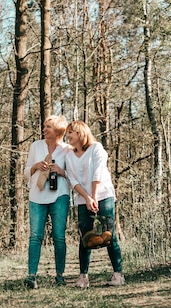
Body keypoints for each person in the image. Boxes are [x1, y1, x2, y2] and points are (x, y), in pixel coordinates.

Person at [64, 120, 124, 288]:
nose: (67, 136)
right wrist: (87, 197)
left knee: (108, 234)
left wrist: (94, 196)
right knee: (85, 237)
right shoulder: (69, 155)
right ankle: (83, 277)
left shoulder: (96, 149)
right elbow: (72, 179)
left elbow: (98, 172)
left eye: (71, 132)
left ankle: (118, 275)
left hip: (103, 196)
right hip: (83, 199)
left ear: (80, 133)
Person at [23, 115, 72, 289]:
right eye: (45, 127)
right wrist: (36, 166)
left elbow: (74, 176)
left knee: (59, 236)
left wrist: (61, 171)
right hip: (37, 196)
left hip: (60, 195)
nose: (44, 130)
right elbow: (26, 170)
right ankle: (31, 276)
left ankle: (60, 275)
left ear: (58, 130)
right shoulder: (35, 146)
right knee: (35, 236)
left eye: (48, 127)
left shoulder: (67, 150)